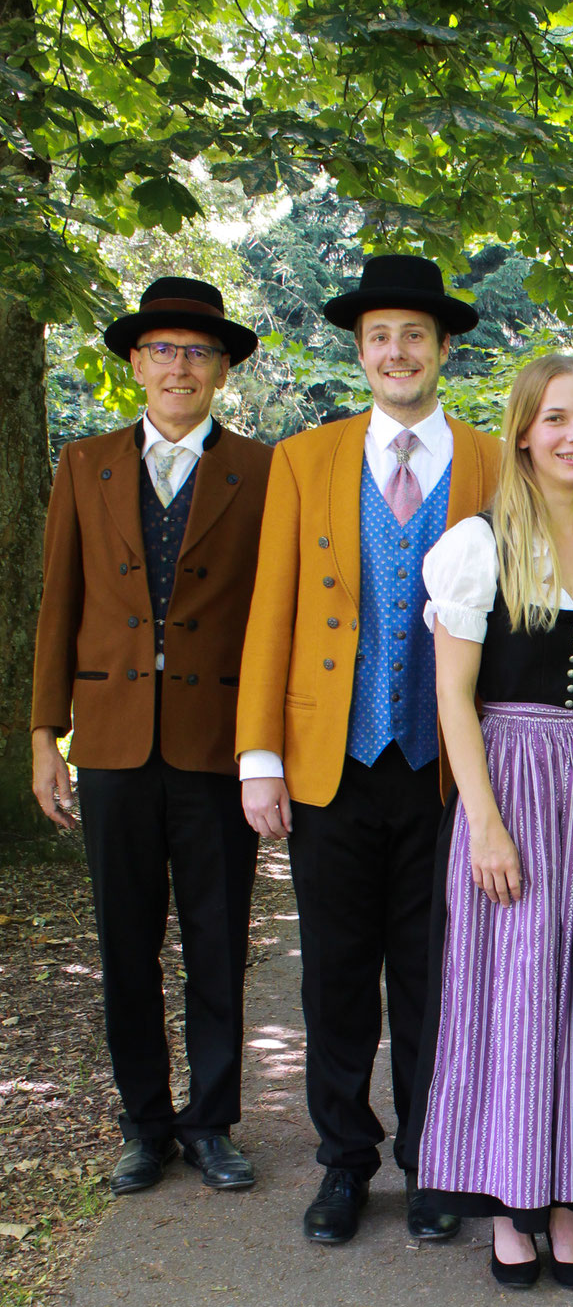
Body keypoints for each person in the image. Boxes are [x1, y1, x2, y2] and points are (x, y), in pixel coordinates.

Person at [235, 255, 499, 1245]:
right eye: (381, 335)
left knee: (437, 971)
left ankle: (434, 1158)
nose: (398, 351)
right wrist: (259, 755)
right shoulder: (305, 459)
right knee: (335, 972)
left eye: (416, 336)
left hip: (443, 767)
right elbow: (272, 609)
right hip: (331, 760)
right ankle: (344, 1159)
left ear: (442, 350)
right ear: (362, 349)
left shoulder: (489, 458)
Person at [414, 353, 573, 1288]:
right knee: (513, 993)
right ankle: (509, 1204)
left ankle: (570, 1196)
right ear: (523, 430)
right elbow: (453, 694)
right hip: (511, 782)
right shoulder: (479, 546)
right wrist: (484, 823)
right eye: (556, 417)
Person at [30, 278, 271, 1195]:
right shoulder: (83, 463)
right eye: (164, 350)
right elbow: (61, 604)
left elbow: (269, 613)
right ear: (135, 362)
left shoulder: (260, 468)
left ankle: (210, 1121)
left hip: (217, 746)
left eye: (198, 352)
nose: (180, 366)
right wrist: (45, 733)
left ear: (221, 371)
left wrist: (267, 747)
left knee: (217, 942)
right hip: (115, 743)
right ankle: (144, 1123)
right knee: (125, 943)